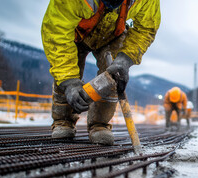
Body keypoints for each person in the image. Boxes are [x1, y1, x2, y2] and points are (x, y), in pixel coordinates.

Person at [41, 0, 160, 145]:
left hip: (113, 33)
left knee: (113, 75)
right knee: (65, 71)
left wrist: (125, 58)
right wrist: (69, 82)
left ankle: (100, 125)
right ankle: (63, 121)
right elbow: (57, 31)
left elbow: (146, 28)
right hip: (75, 31)